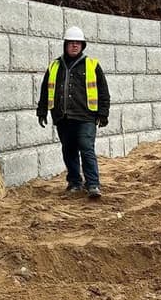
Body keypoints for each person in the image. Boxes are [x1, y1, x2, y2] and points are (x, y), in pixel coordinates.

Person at [36, 25, 111, 198]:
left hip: (86, 116)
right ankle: (75, 183)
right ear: (66, 44)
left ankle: (93, 185)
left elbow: (103, 91)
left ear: (83, 45)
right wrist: (42, 111)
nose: (75, 46)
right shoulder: (55, 66)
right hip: (63, 117)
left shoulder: (92, 65)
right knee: (68, 149)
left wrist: (103, 113)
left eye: (78, 43)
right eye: (71, 43)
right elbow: (45, 90)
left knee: (86, 148)